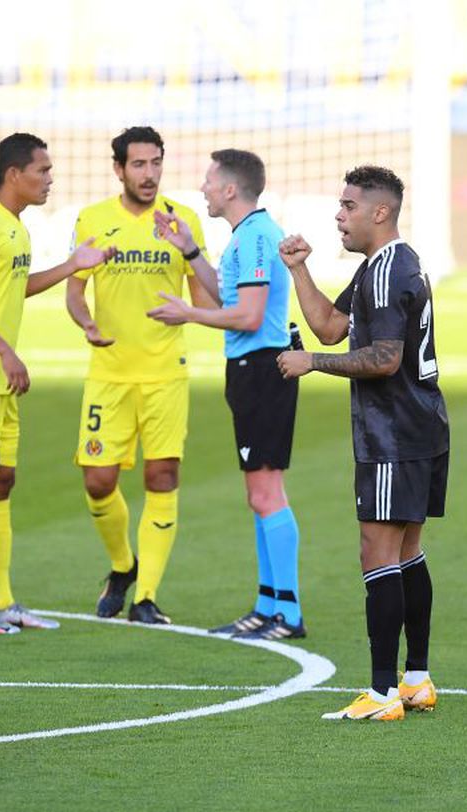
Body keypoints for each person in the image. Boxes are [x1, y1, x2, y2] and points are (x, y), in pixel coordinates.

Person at [277, 165, 448, 721]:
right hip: (421, 426)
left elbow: (384, 358)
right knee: (406, 553)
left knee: (377, 554)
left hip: (393, 433)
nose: (338, 215)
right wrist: (300, 271)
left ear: (380, 212)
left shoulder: (386, 271)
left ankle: (380, 695)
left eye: (348, 205)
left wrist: (312, 364)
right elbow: (330, 324)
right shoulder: (390, 264)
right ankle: (416, 680)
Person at [0, 133, 115, 634]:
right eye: (42, 170)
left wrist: (71, 267)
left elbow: (15, 286)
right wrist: (3, 350)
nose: (49, 179)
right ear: (14, 174)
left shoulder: (16, 229)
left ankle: (2, 601)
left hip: (1, 381)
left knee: (1, 483)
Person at [149, 149, 305, 640]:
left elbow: (250, 317)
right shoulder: (246, 236)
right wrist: (191, 250)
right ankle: (267, 605)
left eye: (209, 180)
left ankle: (289, 613)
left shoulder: (258, 235)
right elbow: (231, 299)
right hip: (249, 369)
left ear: (231, 188)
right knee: (258, 495)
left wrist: (188, 314)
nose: (203, 188)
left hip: (263, 369)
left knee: (266, 493)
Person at [66, 126, 214, 625]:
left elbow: (207, 301)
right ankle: (122, 566)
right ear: (118, 170)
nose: (149, 174)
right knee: (98, 481)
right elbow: (74, 290)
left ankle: (146, 597)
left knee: (162, 475)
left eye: (156, 163)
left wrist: (190, 296)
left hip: (164, 373)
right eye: (139, 165)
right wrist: (87, 323)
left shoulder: (182, 220)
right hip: (109, 373)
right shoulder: (92, 219)